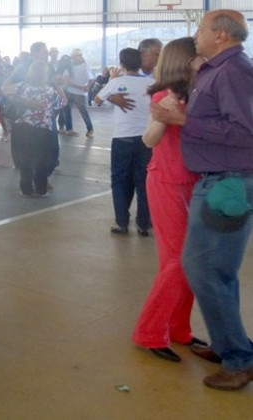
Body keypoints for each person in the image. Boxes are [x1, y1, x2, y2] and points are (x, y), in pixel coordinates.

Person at [161, 9, 253, 390]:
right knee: (219, 272)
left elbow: (245, 131)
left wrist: (184, 121)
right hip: (219, 180)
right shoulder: (218, 69)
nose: (195, 36)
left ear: (220, 34)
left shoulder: (234, 70)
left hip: (226, 184)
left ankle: (238, 359)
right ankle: (231, 345)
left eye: (200, 30)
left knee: (200, 267)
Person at [132, 37, 216, 364]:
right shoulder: (165, 95)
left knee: (190, 263)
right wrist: (164, 116)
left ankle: (179, 328)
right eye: (199, 58)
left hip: (194, 184)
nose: (204, 61)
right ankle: (149, 332)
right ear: (186, 61)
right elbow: (149, 139)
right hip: (167, 183)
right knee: (178, 261)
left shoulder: (198, 93)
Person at [94, 48, 153, 236]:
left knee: (119, 181)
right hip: (147, 139)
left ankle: (122, 223)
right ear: (140, 63)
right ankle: (144, 224)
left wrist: (112, 94)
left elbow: (96, 100)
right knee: (144, 182)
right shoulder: (152, 83)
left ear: (122, 63)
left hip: (122, 138)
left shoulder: (117, 82)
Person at [11, 60, 67, 197]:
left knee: (25, 160)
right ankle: (41, 189)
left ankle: (26, 189)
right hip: (43, 130)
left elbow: (10, 96)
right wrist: (59, 87)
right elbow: (62, 103)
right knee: (42, 161)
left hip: (22, 128)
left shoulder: (22, 88)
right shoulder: (50, 91)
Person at [65, 49, 95, 138]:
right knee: (66, 110)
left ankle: (90, 129)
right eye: (73, 56)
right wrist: (82, 87)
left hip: (80, 93)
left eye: (76, 56)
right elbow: (67, 81)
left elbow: (92, 78)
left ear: (80, 56)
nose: (74, 58)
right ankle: (68, 128)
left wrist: (87, 87)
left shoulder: (85, 66)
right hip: (70, 91)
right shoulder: (69, 66)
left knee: (83, 111)